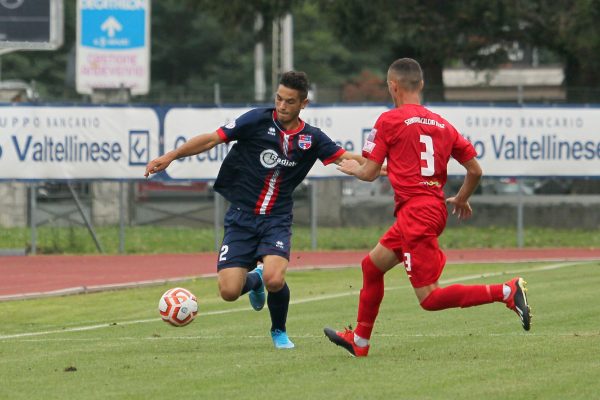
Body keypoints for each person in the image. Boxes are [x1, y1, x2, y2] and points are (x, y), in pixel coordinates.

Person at [324, 58, 532, 357]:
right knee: (372, 266)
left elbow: (369, 172)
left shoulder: (388, 121)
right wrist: (460, 198)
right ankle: (360, 341)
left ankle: (506, 291)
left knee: (430, 298)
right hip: (430, 209)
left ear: (392, 86)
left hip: (416, 214)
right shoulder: (443, 125)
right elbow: (475, 170)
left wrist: (351, 169)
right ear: (420, 84)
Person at [145, 71, 367, 349]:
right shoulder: (256, 120)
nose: (282, 106)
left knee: (276, 278)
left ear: (303, 104)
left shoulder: (312, 138)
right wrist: (170, 156)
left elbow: (349, 158)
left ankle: (278, 330)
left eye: (289, 101)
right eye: (278, 99)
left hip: (276, 219)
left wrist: (382, 167)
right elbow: (211, 139)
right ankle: (255, 281)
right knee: (228, 291)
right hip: (241, 216)